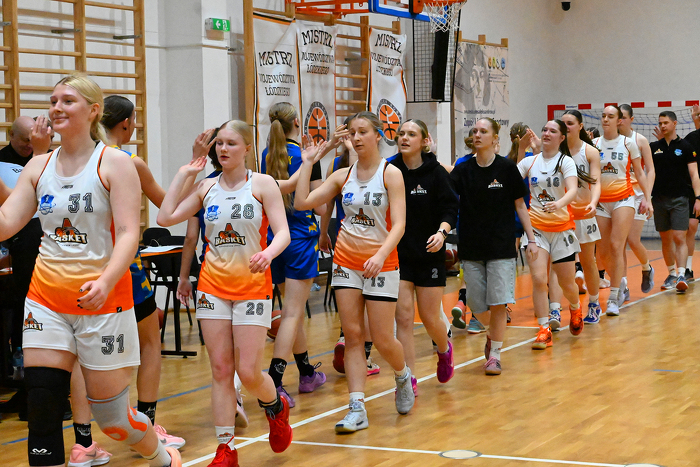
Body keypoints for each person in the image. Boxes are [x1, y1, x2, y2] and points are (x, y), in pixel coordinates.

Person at [0, 74, 181, 467]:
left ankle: (161, 457)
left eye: (67, 100)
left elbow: (130, 233)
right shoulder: (38, 166)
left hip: (103, 301)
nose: (56, 107)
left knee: (114, 421)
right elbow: (6, 223)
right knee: (43, 403)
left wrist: (105, 280)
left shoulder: (115, 163)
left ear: (93, 110)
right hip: (46, 300)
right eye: (53, 100)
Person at [157, 120, 293, 467]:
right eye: (219, 143)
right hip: (212, 287)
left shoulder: (262, 184)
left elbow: (283, 233)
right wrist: (185, 172)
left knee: (248, 373)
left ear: (247, 148)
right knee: (220, 370)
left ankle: (275, 406)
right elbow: (165, 216)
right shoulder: (205, 187)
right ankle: (226, 448)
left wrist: (268, 253)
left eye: (231, 143)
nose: (223, 149)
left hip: (252, 287)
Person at [294, 111, 414, 433]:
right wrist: (308, 163)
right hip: (346, 262)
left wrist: (381, 254)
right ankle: (356, 407)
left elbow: (399, 224)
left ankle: (402, 375)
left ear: (378, 135)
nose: (357, 138)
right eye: (352, 133)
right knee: (352, 336)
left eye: (363, 131)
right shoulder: (342, 175)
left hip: (381, 263)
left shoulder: (390, 174)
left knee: (383, 338)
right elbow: (303, 202)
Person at [450, 117, 537, 373]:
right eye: (475, 131)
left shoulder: (507, 168)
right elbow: (446, 195)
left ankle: (495, 354)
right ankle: (492, 333)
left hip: (501, 246)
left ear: (495, 138)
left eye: (483, 131)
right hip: (471, 247)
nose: (477, 135)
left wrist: (531, 239)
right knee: (476, 305)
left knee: (499, 302)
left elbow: (520, 205)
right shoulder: (463, 169)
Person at [260, 102, 328, 407]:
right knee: (291, 313)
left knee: (292, 311)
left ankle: (306, 372)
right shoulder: (306, 157)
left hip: (274, 240)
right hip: (300, 239)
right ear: (298, 123)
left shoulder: (267, 154)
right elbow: (320, 207)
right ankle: (274, 381)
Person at [389, 119, 458, 388]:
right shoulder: (390, 170)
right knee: (404, 318)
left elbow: (450, 210)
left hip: (430, 252)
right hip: (399, 254)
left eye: (411, 134)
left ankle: (444, 348)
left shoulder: (436, 172)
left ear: (424, 141)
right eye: (401, 134)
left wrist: (442, 233)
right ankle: (409, 379)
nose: (404, 138)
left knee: (429, 317)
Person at [518, 120, 588, 349]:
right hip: (536, 229)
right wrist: (521, 149)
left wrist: (559, 203)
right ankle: (543, 329)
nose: (547, 133)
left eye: (553, 131)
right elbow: (512, 182)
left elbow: (573, 190)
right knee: (539, 279)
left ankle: (575, 307)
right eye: (545, 130)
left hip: (562, 230)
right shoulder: (530, 161)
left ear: (561, 137)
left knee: (567, 283)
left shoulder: (565, 161)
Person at [319, 120, 381, 377]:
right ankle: (364, 354)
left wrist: (323, 232)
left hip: (342, 234)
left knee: (352, 299)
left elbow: (326, 206)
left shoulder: (335, 164)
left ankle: (345, 337)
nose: (356, 137)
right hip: (368, 239)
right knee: (367, 301)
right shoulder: (370, 168)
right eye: (354, 133)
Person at [0, 116, 46, 418]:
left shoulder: (47, 161)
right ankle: (23, 383)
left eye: (34, 140)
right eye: (24, 140)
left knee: (36, 313)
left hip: (39, 241)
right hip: (15, 241)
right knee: (21, 311)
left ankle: (42, 391)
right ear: (11, 135)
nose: (29, 146)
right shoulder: (3, 162)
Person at [593, 105, 651, 316]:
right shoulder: (593, 144)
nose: (605, 119)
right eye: (603, 116)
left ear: (619, 120)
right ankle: (622, 284)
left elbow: (640, 173)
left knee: (617, 245)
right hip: (601, 201)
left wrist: (647, 198)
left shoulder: (628, 144)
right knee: (603, 253)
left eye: (610, 116)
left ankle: (613, 297)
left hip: (624, 199)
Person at [648, 111, 700, 293]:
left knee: (679, 236)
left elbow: (694, 174)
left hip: (680, 199)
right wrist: (646, 198)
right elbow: (648, 173)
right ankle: (671, 274)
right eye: (660, 123)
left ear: (674, 123)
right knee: (665, 238)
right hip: (659, 199)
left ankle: (682, 274)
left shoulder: (686, 146)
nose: (662, 126)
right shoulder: (654, 147)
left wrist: (698, 198)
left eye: (666, 123)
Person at [561, 110, 604, 324]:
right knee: (560, 266)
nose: (566, 127)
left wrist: (593, 202)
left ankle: (594, 303)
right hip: (560, 217)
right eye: (563, 123)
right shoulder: (555, 151)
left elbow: (596, 182)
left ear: (580, 126)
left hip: (583, 214)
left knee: (588, 261)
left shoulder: (590, 152)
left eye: (570, 123)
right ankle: (558, 307)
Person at [618, 104, 656, 296]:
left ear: (631, 119)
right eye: (617, 117)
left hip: (637, 194)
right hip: (618, 194)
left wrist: (647, 198)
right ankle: (622, 286)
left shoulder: (640, 140)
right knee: (618, 243)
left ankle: (646, 267)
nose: (619, 121)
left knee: (632, 240)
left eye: (623, 117)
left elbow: (651, 170)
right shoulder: (609, 141)